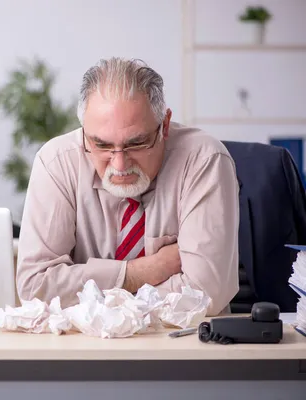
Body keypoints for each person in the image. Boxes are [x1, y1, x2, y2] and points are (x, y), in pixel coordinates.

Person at [15, 57, 239, 316]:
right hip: (83, 346)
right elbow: (35, 288)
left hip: (183, 344)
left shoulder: (203, 160)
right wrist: (143, 271)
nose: (119, 165)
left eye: (136, 143)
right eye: (101, 145)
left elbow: (205, 295)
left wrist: (84, 291)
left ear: (164, 125)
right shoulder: (57, 161)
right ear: (84, 130)